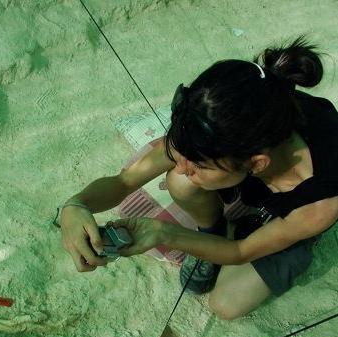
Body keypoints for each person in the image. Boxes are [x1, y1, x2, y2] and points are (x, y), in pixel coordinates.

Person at [60, 35, 338, 320]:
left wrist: (166, 233)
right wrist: (76, 204)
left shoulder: (319, 204)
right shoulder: (219, 122)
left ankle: (294, 238)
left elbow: (240, 251)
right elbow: (124, 182)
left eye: (199, 164)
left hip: (296, 210)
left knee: (226, 304)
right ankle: (213, 231)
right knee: (180, 182)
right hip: (251, 169)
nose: (182, 166)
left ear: (256, 164)